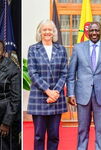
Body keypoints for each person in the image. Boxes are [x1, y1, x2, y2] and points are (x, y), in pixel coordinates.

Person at [67, 22, 101, 150]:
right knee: (82, 129)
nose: (94, 33)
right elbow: (71, 73)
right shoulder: (78, 48)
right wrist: (71, 93)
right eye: (91, 31)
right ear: (87, 32)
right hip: (82, 94)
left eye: (97, 30)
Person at [27, 19, 67, 150]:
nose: (47, 32)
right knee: (39, 135)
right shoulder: (33, 49)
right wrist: (47, 91)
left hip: (56, 98)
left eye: (50, 29)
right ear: (40, 32)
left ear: (54, 32)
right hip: (39, 98)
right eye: (44, 30)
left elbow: (64, 72)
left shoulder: (61, 49)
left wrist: (55, 93)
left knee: (54, 135)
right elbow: (32, 73)